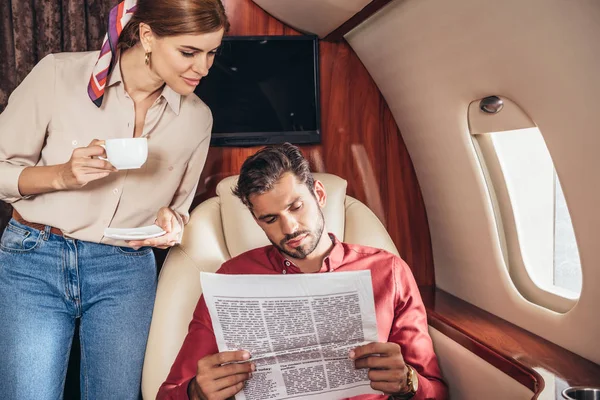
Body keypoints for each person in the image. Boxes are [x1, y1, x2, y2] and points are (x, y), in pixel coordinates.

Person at [0, 0, 229, 398]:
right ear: (147, 37)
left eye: (211, 53)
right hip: (35, 257)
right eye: (188, 52)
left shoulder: (197, 119)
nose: (204, 68)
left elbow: (179, 208)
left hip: (124, 270)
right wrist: (62, 175)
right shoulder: (58, 74)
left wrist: (172, 224)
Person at [158, 143, 448, 400]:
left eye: (296, 207)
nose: (290, 228)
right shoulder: (230, 279)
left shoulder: (388, 271)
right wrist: (197, 392)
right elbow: (169, 393)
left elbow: (434, 389)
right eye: (270, 219)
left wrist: (408, 383)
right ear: (257, 221)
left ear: (319, 195)